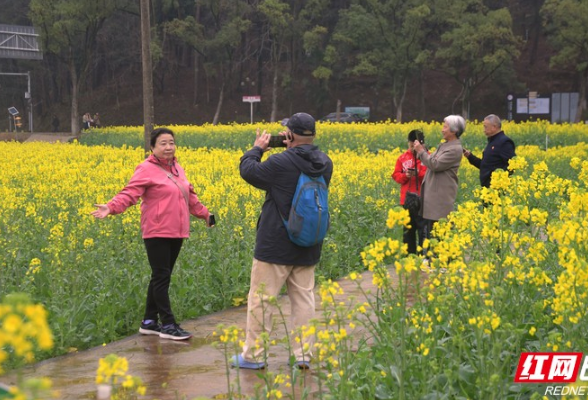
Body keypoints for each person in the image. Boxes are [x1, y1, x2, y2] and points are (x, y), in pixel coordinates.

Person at [91, 127, 214, 340]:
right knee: (161, 277)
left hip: (177, 231)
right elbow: (130, 193)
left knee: (160, 277)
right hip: (157, 230)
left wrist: (205, 214)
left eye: (171, 143)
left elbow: (189, 196)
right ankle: (168, 325)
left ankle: (149, 321)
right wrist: (111, 207)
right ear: (152, 147)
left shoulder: (177, 168)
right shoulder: (146, 169)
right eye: (163, 143)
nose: (168, 147)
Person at [233, 112, 333, 370]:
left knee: (262, 299)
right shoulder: (325, 162)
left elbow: (248, 171)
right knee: (304, 300)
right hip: (308, 242)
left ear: (289, 135)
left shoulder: (281, 162)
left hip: (275, 244)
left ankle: (254, 356)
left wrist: (257, 149)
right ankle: (302, 355)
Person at [413, 115, 464, 241]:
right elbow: (431, 160)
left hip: (441, 196)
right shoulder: (445, 145)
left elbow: (435, 164)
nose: (442, 129)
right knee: (432, 230)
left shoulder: (455, 149)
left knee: (440, 232)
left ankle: (441, 258)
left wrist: (421, 152)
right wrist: (423, 150)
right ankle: (432, 258)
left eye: (445, 127)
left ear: (454, 131)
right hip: (434, 195)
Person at [392, 130, 428, 254]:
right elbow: (396, 175)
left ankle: (423, 256)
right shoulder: (402, 158)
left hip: (423, 199)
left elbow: (431, 174)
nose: (413, 148)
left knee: (423, 230)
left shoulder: (428, 157)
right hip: (406, 200)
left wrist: (418, 174)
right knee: (408, 231)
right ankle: (409, 258)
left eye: (416, 145)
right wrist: (406, 175)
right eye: (411, 145)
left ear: (422, 144)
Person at [463, 114, 515, 188]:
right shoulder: (492, 142)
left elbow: (512, 165)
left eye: (485, 127)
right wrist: (470, 157)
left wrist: (499, 179)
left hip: (497, 189)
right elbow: (485, 165)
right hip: (487, 189)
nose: (484, 129)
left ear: (494, 127)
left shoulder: (504, 142)